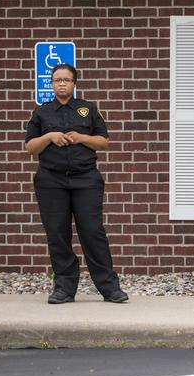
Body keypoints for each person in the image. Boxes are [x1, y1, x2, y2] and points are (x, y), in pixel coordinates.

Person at [25, 64, 128, 304]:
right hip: (51, 180)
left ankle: (110, 288)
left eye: (67, 80)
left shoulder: (88, 109)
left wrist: (81, 137)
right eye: (57, 80)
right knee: (58, 234)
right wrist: (49, 137)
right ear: (51, 84)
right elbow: (30, 147)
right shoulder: (41, 112)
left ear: (74, 83)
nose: (62, 83)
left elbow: (103, 142)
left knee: (93, 232)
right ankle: (64, 288)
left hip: (86, 179)